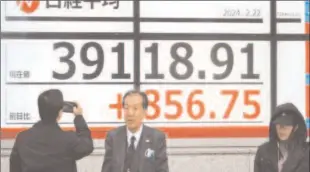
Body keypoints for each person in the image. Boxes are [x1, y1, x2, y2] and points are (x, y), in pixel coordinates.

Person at [10, 89, 94, 172]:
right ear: (60, 113)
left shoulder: (22, 138)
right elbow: (87, 146)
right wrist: (78, 117)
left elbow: (14, 167)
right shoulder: (68, 139)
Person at [101, 89, 169, 172]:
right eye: (126, 108)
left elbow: (162, 169)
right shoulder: (113, 137)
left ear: (144, 112)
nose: (130, 113)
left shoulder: (156, 137)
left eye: (135, 108)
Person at [254, 102, 309, 172]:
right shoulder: (263, 152)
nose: (282, 129)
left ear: (295, 127)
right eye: (279, 125)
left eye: (286, 125)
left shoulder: (307, 152)